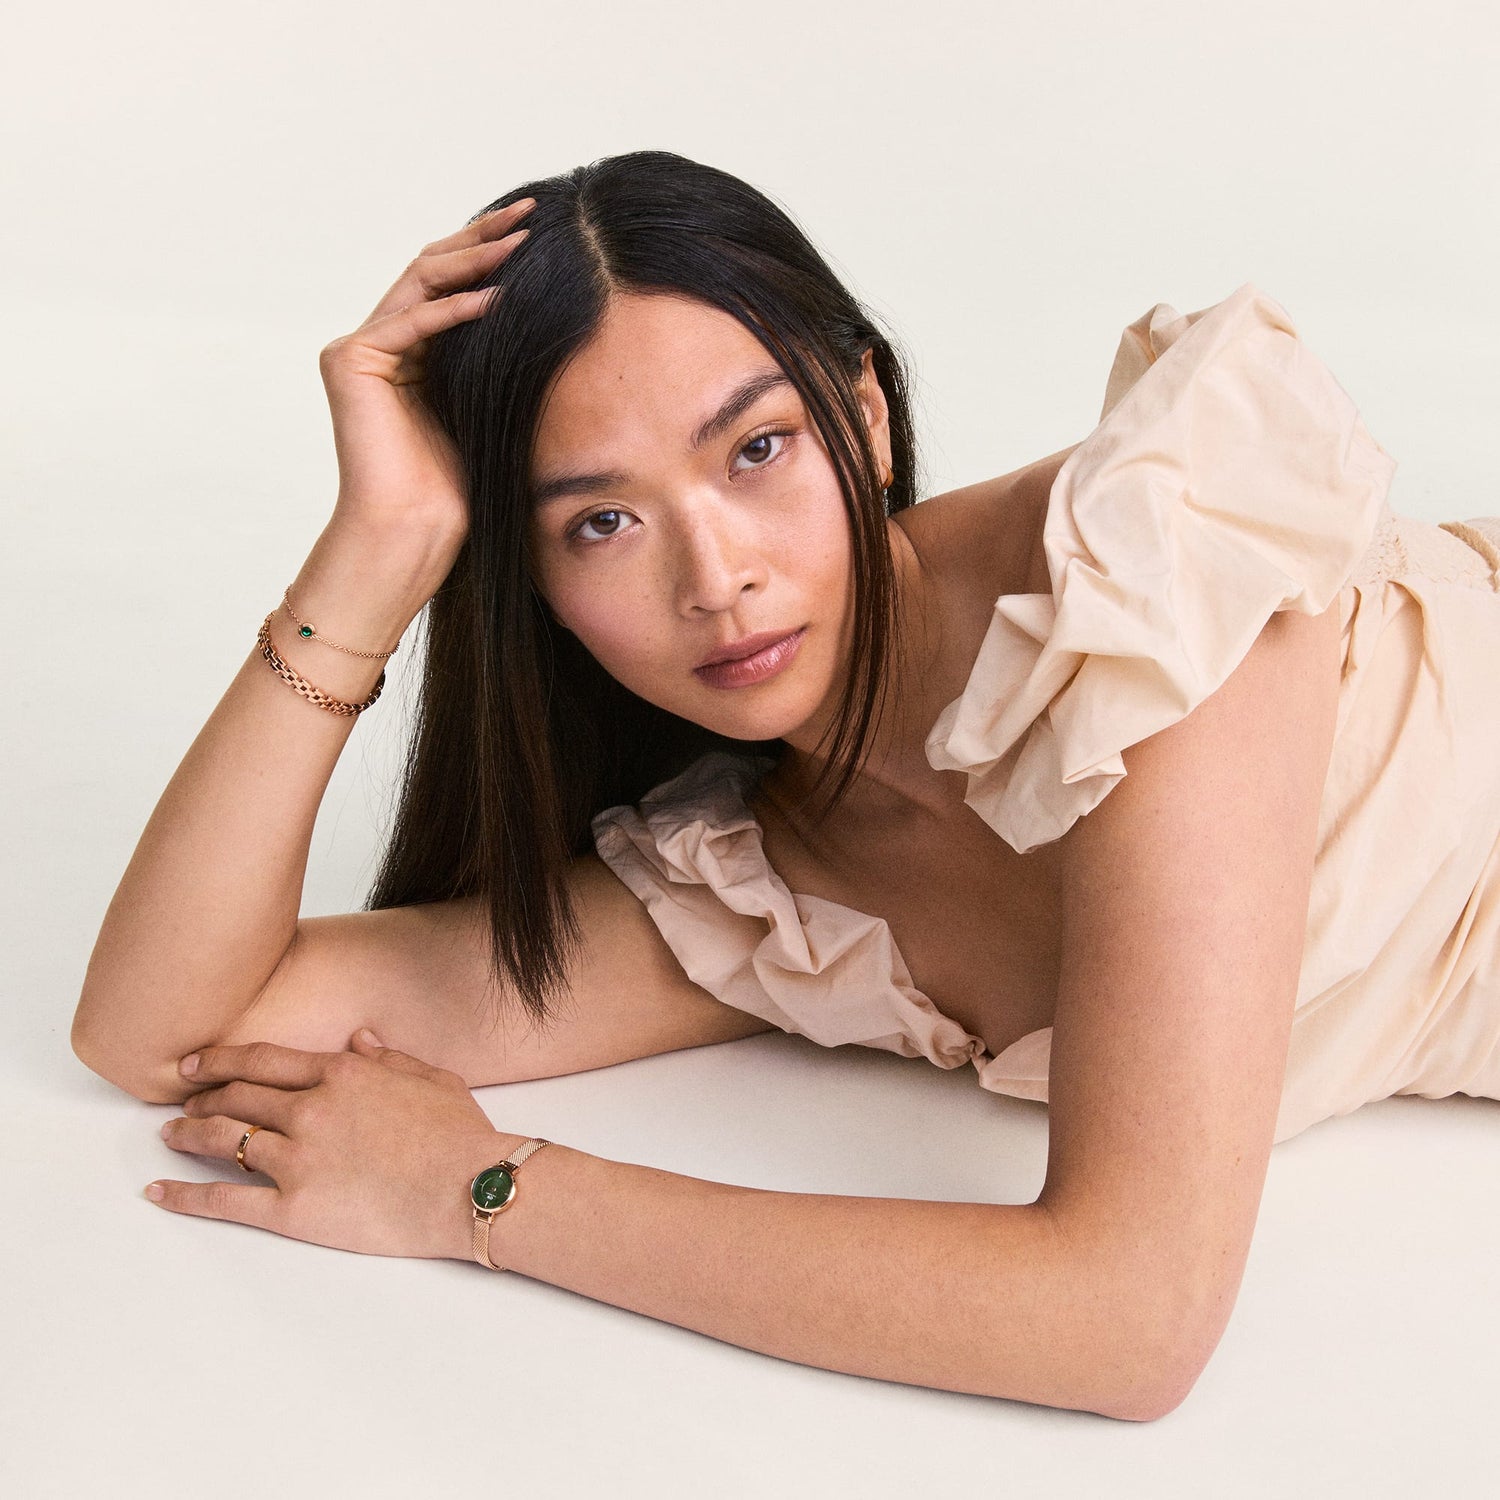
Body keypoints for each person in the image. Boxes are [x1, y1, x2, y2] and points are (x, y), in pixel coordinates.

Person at [71, 149, 1500, 1421]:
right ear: (537, 586)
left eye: (757, 450)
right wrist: (375, 556)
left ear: (863, 416)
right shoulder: (756, 894)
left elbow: (1130, 1320)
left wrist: (478, 1189)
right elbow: (167, 1034)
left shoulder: (1157, 575)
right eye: (602, 522)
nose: (717, 577)